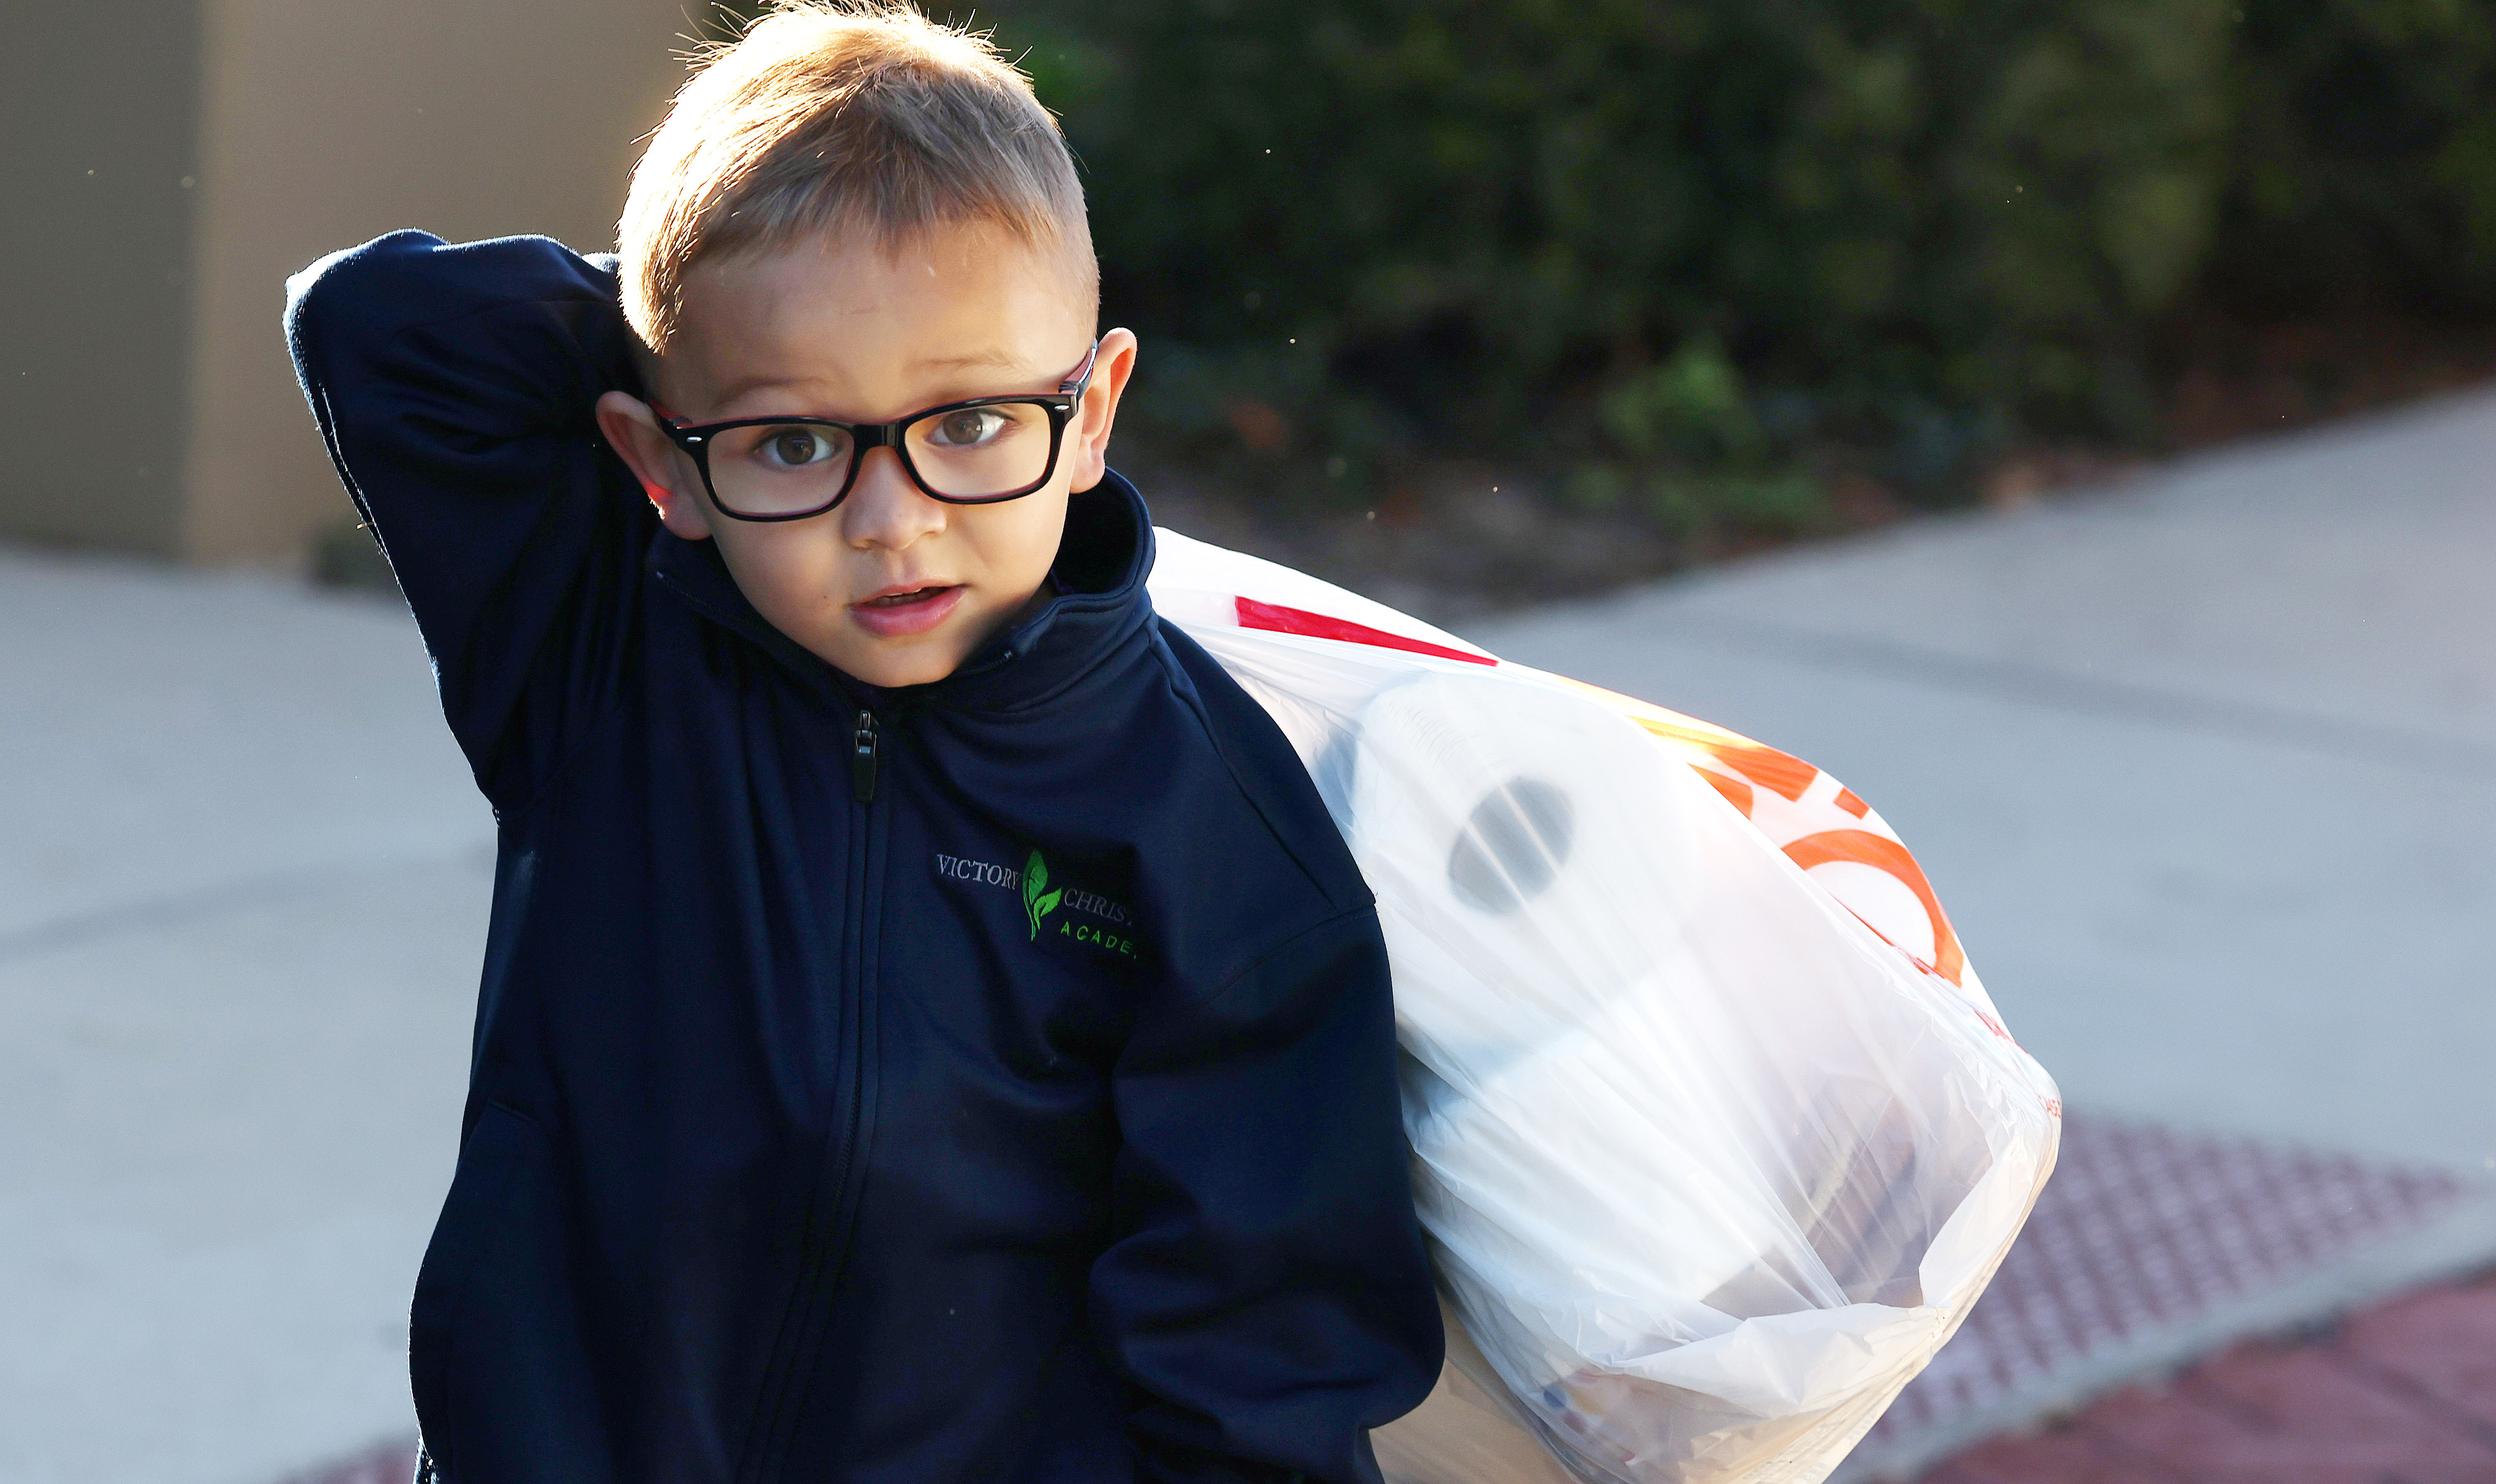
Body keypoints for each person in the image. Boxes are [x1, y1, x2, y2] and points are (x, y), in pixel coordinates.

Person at [282, 4, 1442, 1481]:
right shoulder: (605, 659)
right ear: (653, 461)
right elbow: (379, 331)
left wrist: (775, 369)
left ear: (1093, 414)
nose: (891, 522)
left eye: (968, 422)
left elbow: (1264, 1336)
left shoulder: (1203, 816)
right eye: (796, 443)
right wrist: (711, 316)